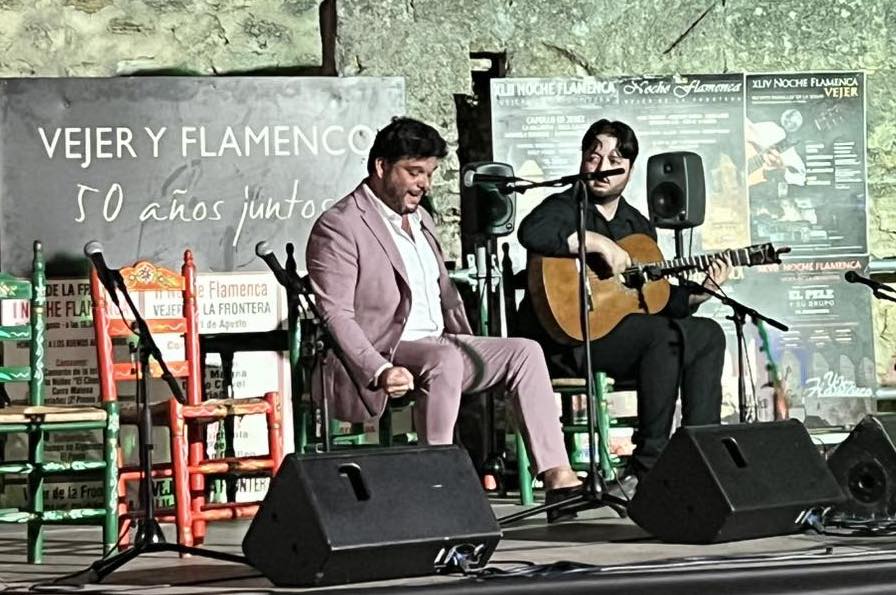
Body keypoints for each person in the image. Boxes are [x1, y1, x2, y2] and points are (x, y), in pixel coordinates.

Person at [305, 117, 581, 518]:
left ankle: (558, 480)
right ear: (381, 167)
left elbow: (444, 296)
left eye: (430, 174)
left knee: (524, 350)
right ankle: (438, 484)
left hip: (439, 344)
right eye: (414, 172)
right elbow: (335, 314)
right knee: (444, 359)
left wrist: (471, 342)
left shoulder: (422, 220)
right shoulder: (340, 225)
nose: (424, 184)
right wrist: (380, 369)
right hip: (382, 348)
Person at [516, 119, 731, 494]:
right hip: (568, 342)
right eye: (593, 156)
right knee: (661, 337)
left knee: (706, 333)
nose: (601, 167)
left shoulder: (639, 225)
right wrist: (595, 242)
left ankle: (702, 456)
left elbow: (657, 298)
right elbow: (531, 233)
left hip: (628, 340)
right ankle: (647, 466)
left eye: (615, 158)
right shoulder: (564, 207)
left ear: (630, 169)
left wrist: (704, 291)